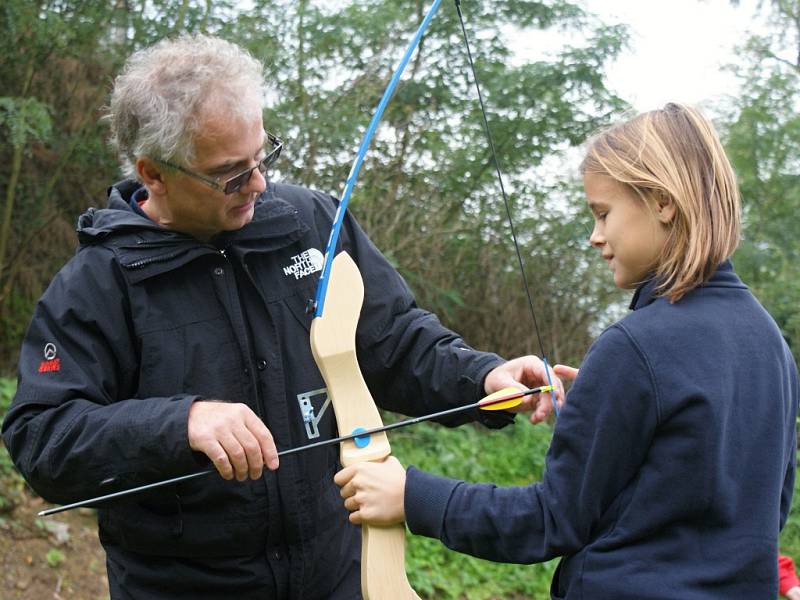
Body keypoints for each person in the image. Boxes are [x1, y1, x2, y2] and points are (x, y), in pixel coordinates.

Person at [0, 35, 562, 599]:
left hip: (335, 574)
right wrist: (180, 424)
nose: (260, 183)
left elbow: (393, 341)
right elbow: (43, 438)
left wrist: (483, 378)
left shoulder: (311, 223)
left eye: (262, 155)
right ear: (154, 174)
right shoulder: (98, 283)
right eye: (230, 174)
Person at [335, 103, 800, 599]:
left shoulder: (635, 347)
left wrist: (412, 496)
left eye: (604, 213)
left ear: (664, 202)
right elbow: (762, 510)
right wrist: (602, 410)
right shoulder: (771, 343)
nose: (595, 236)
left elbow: (550, 520)